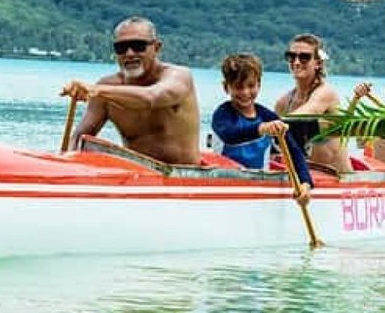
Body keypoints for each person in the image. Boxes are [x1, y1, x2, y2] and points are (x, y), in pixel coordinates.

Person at [62, 16, 201, 165]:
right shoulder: (107, 86)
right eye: (121, 48)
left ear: (157, 47)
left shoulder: (178, 76)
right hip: (135, 175)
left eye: (138, 46)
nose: (129, 54)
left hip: (181, 176)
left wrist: (96, 90)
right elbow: (79, 139)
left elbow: (151, 97)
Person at [211, 53, 312, 206]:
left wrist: (305, 183)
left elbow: (294, 152)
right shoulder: (222, 114)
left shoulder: (268, 116)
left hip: (258, 186)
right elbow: (230, 135)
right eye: (238, 87)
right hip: (226, 186)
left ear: (259, 84)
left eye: (251, 85)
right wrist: (262, 128)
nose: (245, 92)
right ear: (226, 87)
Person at [272, 33, 349, 170]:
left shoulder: (326, 93)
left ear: (318, 63)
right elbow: (275, 144)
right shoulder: (283, 103)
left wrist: (266, 125)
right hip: (309, 178)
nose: (296, 62)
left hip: (339, 181)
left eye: (304, 57)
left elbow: (306, 114)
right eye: (291, 56)